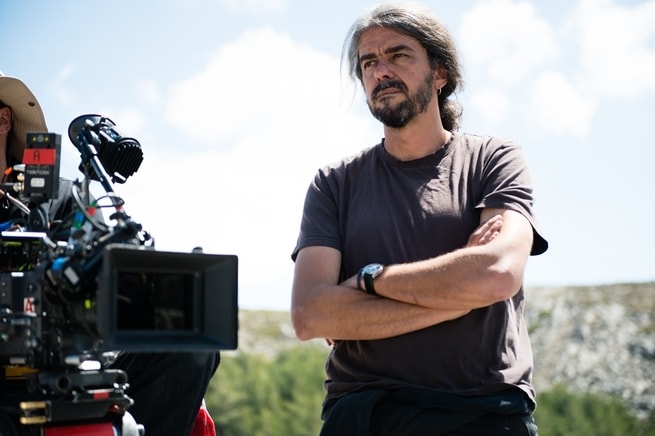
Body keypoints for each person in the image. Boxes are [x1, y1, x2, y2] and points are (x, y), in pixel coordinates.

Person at [290, 2, 549, 435]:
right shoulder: (334, 183)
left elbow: (498, 274)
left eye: (399, 55)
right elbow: (310, 315)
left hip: (483, 414)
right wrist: (462, 297)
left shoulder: (495, 159)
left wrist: (368, 281)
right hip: (363, 416)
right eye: (368, 63)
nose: (381, 71)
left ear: (440, 72)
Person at [0, 72, 219, 435]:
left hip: (65, 374)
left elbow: (104, 301)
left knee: (189, 336)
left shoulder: (63, 199)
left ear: (3, 119)